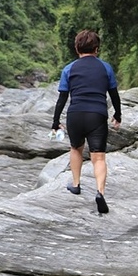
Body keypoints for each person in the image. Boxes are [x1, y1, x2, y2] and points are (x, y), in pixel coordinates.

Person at [51, 29, 122, 214]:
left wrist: (55, 121)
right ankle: (100, 192)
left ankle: (76, 184)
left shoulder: (69, 69)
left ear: (77, 48)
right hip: (97, 114)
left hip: (75, 114)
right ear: (97, 49)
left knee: (76, 148)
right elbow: (114, 94)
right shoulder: (105, 68)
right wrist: (118, 115)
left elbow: (62, 98)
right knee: (98, 156)